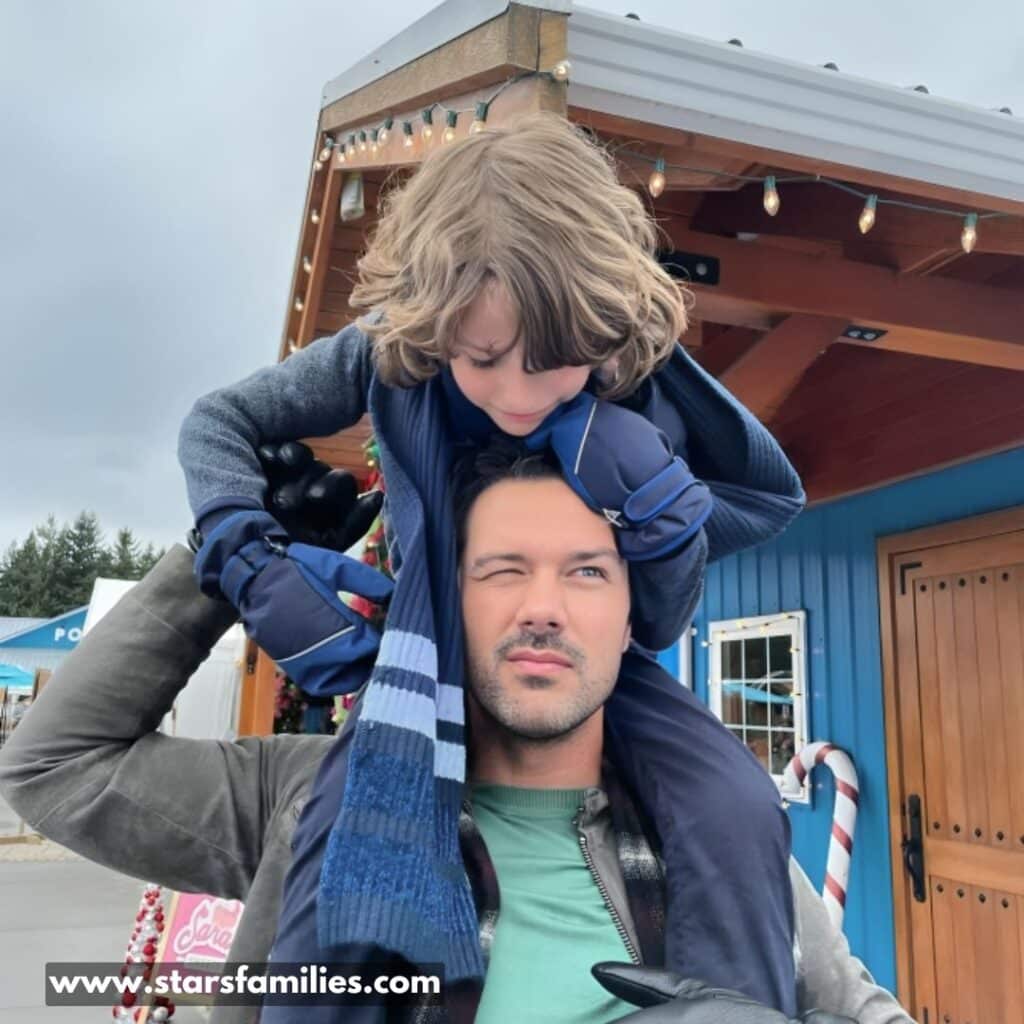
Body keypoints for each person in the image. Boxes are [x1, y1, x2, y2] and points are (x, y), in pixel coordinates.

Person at [177, 113, 806, 1012]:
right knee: (337, 860)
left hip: (601, 678)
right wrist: (247, 555)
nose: (518, 392)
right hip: (415, 671)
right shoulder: (386, 354)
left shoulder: (641, 372)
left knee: (738, 807)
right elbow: (215, 423)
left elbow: (736, 537)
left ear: (604, 323)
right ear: (435, 328)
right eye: (481, 359)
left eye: (555, 364)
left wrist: (663, 518)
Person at [0, 445, 911, 1023]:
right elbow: (55, 768)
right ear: (442, 605)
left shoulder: (720, 831)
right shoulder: (306, 801)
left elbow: (866, 1011)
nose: (544, 608)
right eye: (501, 571)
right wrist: (226, 556)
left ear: (632, 612)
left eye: (588, 572)